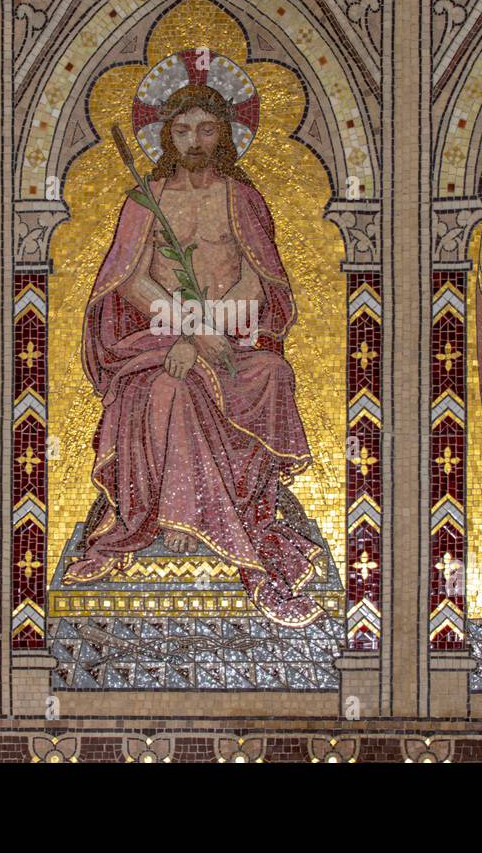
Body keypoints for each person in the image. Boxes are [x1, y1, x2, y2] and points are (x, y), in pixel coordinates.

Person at [62, 84, 324, 627]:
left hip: (230, 337)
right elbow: (127, 281)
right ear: (167, 135)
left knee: (273, 372)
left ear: (225, 133)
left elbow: (262, 278)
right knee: (170, 390)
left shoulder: (241, 198)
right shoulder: (146, 200)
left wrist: (209, 329)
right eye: (182, 130)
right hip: (158, 341)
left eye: (206, 129)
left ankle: (243, 509)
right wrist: (184, 330)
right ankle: (179, 521)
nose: (194, 141)